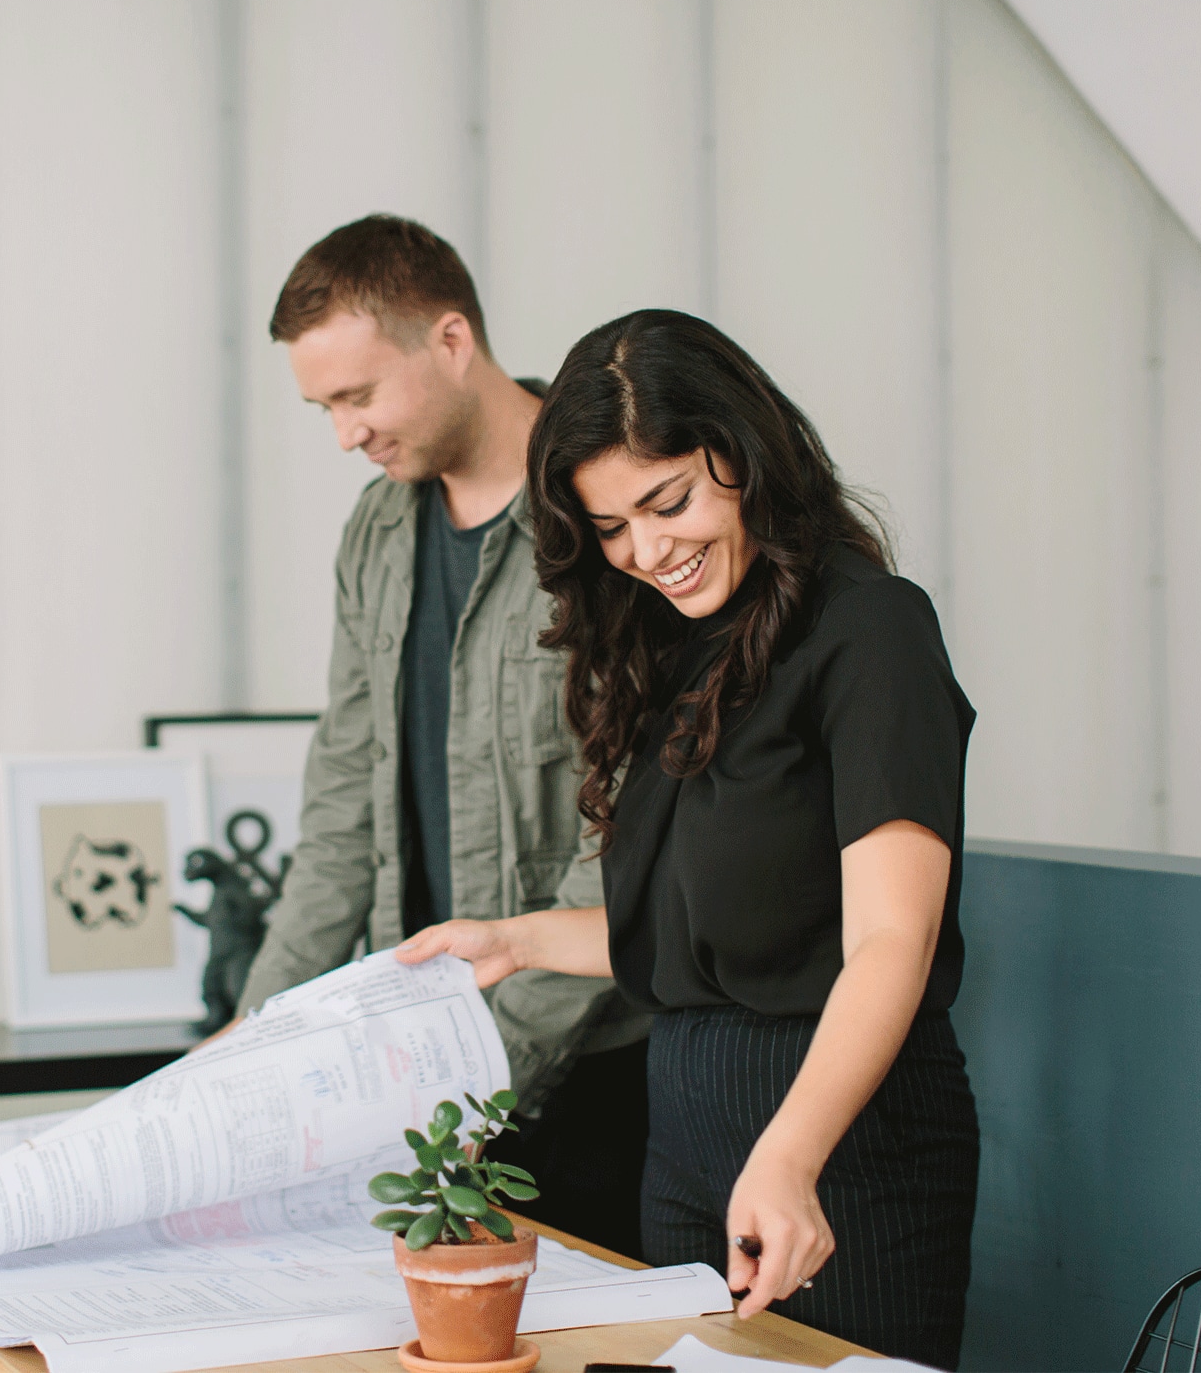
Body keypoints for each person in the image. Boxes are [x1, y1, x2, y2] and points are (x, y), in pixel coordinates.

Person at [396, 309, 980, 1368]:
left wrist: (792, 1155)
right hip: (687, 1135)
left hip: (837, 1140)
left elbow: (890, 941)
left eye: (666, 502)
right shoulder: (684, 647)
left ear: (744, 455)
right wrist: (516, 940)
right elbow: (703, 935)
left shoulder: (872, 630)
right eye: (612, 527)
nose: (647, 550)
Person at [230, 216, 654, 1258]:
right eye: (322, 405)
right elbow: (341, 810)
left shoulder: (610, 516)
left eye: (357, 395)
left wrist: (469, 1087)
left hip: (595, 1072)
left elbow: (629, 836)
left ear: (452, 342)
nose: (344, 434)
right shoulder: (376, 531)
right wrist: (250, 1048)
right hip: (418, 1075)